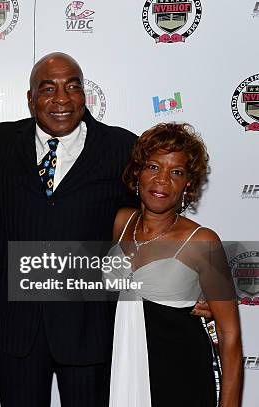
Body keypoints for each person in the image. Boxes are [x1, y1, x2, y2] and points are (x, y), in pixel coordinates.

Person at [0, 52, 138, 406]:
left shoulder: (121, 148)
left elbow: (154, 218)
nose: (62, 99)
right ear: (30, 99)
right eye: (48, 89)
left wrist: (188, 275)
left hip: (88, 329)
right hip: (17, 331)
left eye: (73, 86)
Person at [106, 123, 242, 407]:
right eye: (153, 167)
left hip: (180, 377)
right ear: (137, 171)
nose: (162, 180)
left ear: (188, 183)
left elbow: (229, 334)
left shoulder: (202, 241)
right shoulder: (120, 222)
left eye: (176, 172)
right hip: (119, 370)